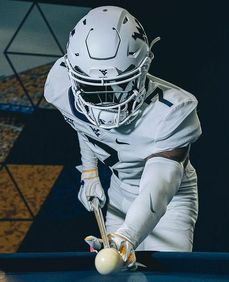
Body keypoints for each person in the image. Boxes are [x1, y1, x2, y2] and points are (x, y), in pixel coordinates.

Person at [44, 5, 202, 270]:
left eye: (120, 85)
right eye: (93, 89)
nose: (107, 101)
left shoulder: (174, 110)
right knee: (119, 275)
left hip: (169, 200)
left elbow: (158, 186)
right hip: (119, 191)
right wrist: (90, 173)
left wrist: (128, 235)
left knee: (163, 275)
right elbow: (85, 126)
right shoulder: (61, 85)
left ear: (145, 66)